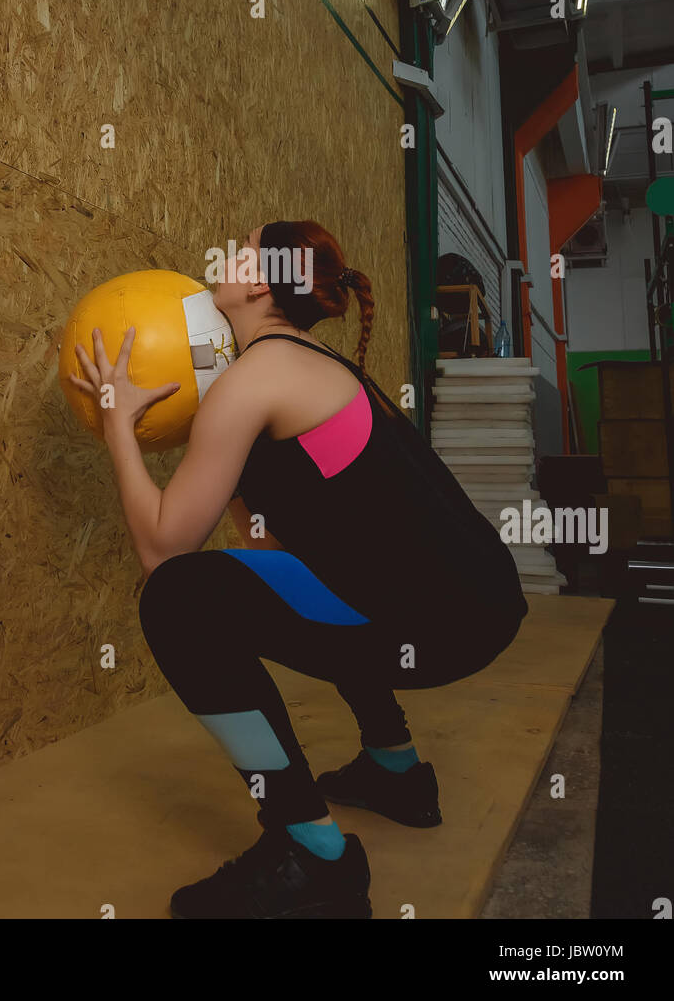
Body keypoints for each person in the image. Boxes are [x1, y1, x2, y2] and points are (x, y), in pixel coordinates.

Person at [67, 220, 528, 919]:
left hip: (440, 626)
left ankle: (313, 853)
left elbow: (162, 553)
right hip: (477, 607)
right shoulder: (312, 365)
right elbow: (273, 550)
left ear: (259, 282)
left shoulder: (254, 379)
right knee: (311, 576)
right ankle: (395, 771)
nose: (223, 256)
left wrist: (117, 426)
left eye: (240, 249)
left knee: (176, 598)